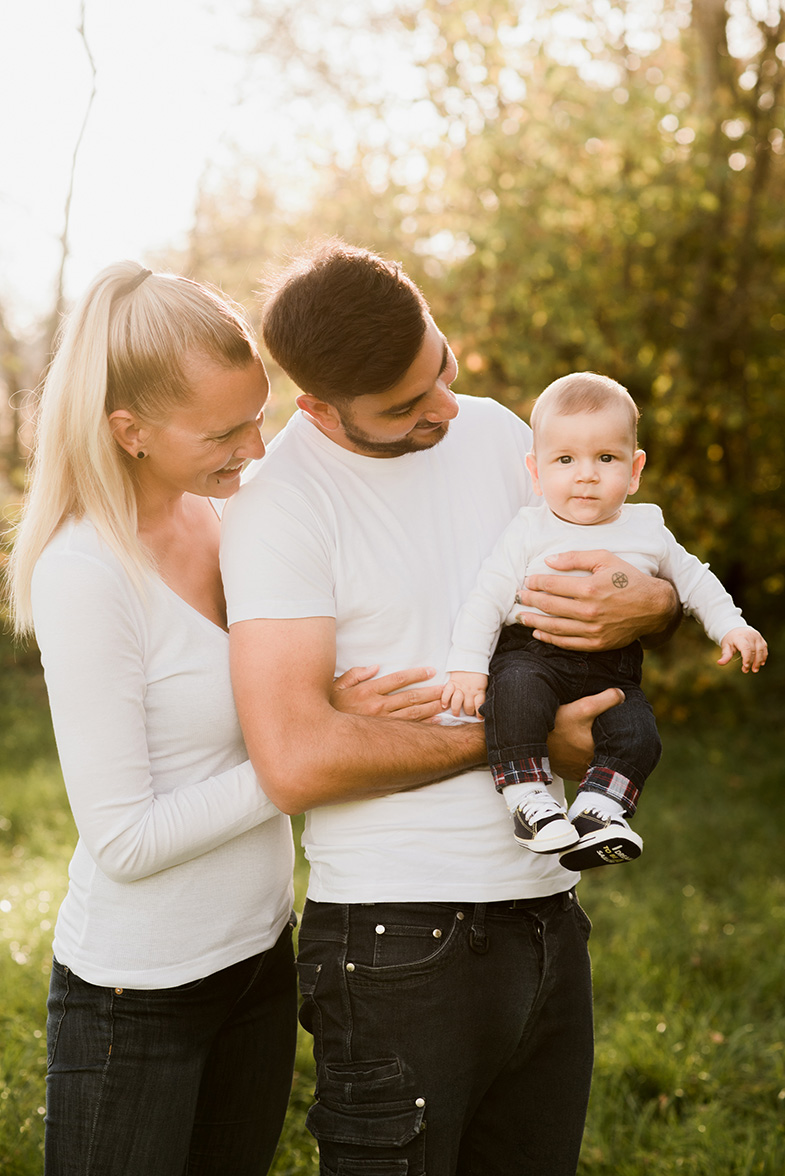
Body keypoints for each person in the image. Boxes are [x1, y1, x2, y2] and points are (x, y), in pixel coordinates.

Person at [220, 240, 680, 1176]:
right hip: (396, 945)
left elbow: (602, 591)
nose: (442, 408)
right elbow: (296, 761)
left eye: (441, 367)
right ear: (316, 407)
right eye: (402, 407)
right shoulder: (280, 509)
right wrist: (512, 741)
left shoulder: (495, 430)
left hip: (548, 911)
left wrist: (657, 604)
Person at [6, 261, 403, 1176]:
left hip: (261, 958)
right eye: (223, 432)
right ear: (129, 430)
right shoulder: (87, 573)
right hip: (135, 996)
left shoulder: (227, 524)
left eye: (256, 416)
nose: (254, 449)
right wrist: (310, 753)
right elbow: (126, 839)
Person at [443, 371, 768, 872]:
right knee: (515, 697)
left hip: (613, 670)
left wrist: (732, 626)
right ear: (536, 471)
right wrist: (468, 666)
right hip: (535, 653)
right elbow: (486, 599)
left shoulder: (649, 527)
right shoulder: (528, 529)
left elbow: (694, 581)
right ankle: (529, 798)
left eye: (607, 459)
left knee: (640, 733)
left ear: (634, 470)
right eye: (566, 459)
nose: (586, 474)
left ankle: (599, 810)